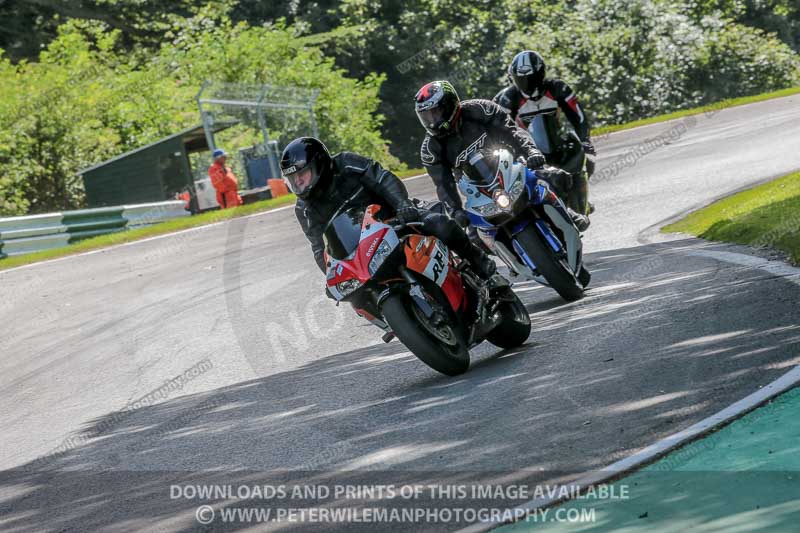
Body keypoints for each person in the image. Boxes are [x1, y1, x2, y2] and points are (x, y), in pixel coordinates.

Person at [280, 136, 501, 283]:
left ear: (319, 164)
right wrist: (332, 276)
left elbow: (382, 179)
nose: (299, 183)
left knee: (439, 224)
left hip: (395, 218)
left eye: (302, 174)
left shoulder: (346, 164)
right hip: (362, 250)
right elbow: (319, 247)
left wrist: (403, 205)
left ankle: (480, 263)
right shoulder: (305, 209)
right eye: (293, 179)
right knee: (355, 295)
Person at [414, 80, 590, 231]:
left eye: (436, 112)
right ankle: (497, 268)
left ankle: (569, 214)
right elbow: (443, 184)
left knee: (553, 177)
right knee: (474, 236)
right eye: (426, 116)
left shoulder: (481, 109)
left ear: (451, 104)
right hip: (475, 188)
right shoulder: (430, 148)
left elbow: (513, 131)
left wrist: (531, 151)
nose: (432, 121)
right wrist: (455, 211)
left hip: (508, 164)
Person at [493, 51, 595, 215]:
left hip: (556, 141)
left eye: (531, 78)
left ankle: (581, 200)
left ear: (541, 74)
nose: (526, 83)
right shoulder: (508, 97)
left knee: (587, 158)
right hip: (526, 148)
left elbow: (579, 116)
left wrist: (585, 140)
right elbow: (500, 130)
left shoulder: (557, 88)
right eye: (521, 79)